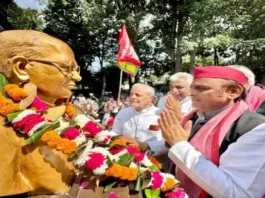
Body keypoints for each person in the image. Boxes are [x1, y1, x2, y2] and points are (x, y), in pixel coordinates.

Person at [159, 66, 265, 198]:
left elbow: (236, 193)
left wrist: (179, 145)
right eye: (192, 87)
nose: (191, 92)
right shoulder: (195, 117)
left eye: (202, 88)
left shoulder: (255, 129)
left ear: (233, 91)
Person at [0, 30, 81, 196]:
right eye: (66, 68)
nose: (77, 77)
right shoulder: (5, 131)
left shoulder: (69, 113)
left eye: (76, 69)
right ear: (21, 67)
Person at [112, 83, 166, 156]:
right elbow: (115, 133)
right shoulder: (123, 112)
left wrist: (145, 145)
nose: (133, 97)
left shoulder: (161, 115)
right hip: (125, 157)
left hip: (153, 160)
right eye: (131, 94)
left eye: (137, 95)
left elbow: (167, 142)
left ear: (151, 98)